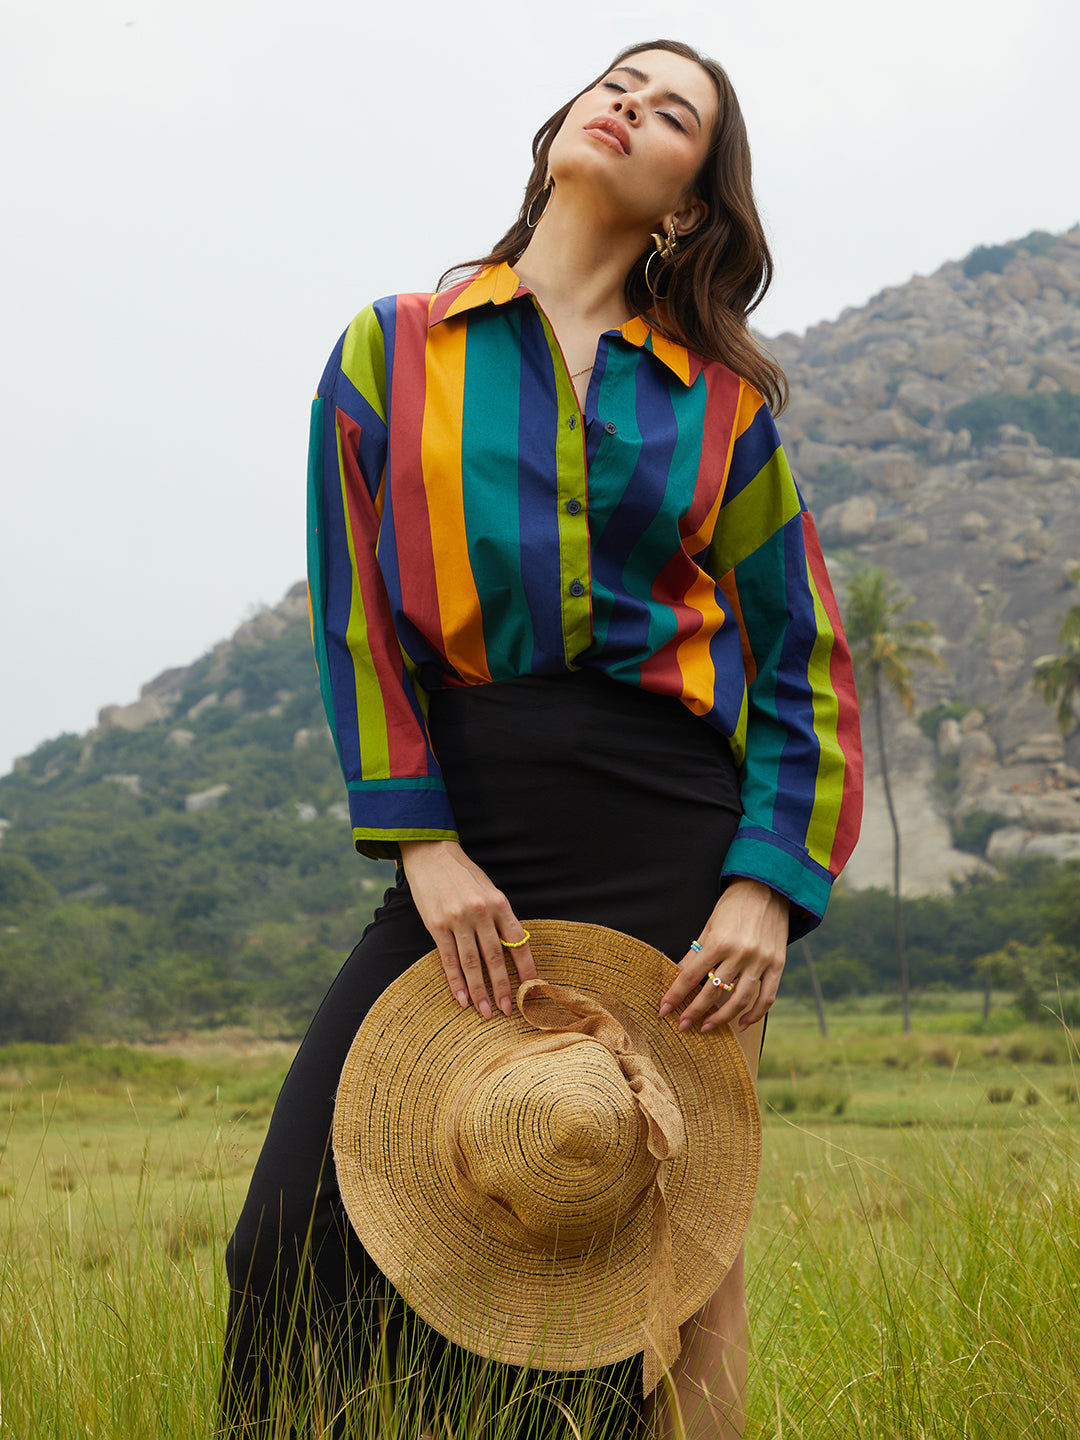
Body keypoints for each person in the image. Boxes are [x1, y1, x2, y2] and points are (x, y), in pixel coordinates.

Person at [220, 37, 862, 1440]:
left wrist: (767, 888)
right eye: (616, 81)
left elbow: (808, 662)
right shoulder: (389, 348)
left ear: (689, 204)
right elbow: (354, 627)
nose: (631, 102)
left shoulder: (725, 407)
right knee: (287, 1250)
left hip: (675, 849)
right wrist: (427, 849)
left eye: (675, 109)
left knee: (669, 1276)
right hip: (474, 840)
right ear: (565, 124)